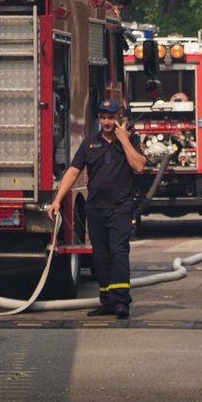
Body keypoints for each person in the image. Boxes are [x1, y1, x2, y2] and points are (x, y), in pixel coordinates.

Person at [52, 96, 147, 318]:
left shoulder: (131, 140)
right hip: (95, 209)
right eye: (103, 117)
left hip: (120, 207)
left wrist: (124, 140)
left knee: (119, 252)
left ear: (119, 117)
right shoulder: (89, 143)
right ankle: (107, 301)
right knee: (101, 256)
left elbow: (139, 167)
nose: (106, 122)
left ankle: (121, 302)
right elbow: (73, 172)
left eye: (111, 117)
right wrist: (57, 200)